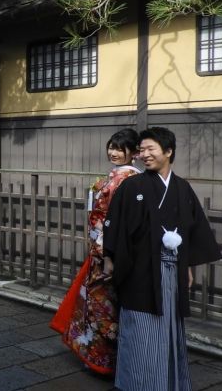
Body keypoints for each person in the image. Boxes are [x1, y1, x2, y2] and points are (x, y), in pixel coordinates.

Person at [103, 127, 222, 391]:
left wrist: (188, 266)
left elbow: (193, 229)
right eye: (141, 150)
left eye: (150, 149)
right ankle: (135, 383)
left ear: (168, 152)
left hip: (172, 268)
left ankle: (169, 383)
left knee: (169, 324)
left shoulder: (182, 188)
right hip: (138, 269)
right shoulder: (132, 186)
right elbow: (115, 225)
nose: (143, 155)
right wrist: (109, 258)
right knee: (140, 325)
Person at [50, 128, 140, 375]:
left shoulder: (127, 180)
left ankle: (104, 361)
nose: (113, 152)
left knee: (104, 307)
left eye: (120, 149)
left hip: (108, 252)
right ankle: (102, 359)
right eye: (111, 147)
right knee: (100, 305)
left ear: (133, 153)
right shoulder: (120, 177)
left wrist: (105, 252)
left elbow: (113, 219)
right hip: (103, 247)